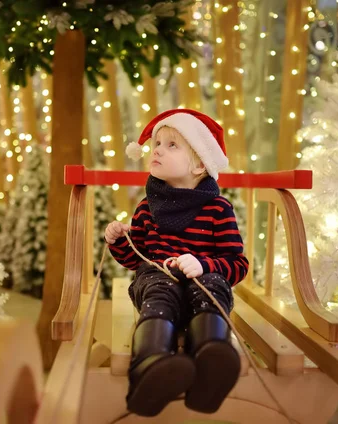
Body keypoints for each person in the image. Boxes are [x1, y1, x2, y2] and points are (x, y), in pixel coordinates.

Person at [105, 109, 249, 417]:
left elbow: (237, 264)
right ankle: (151, 363)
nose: (157, 149)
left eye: (172, 145)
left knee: (212, 285)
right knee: (156, 283)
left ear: (200, 164)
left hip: (201, 285)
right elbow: (136, 260)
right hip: (159, 284)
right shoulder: (147, 208)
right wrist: (119, 241)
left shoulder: (218, 209)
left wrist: (205, 265)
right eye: (157, 143)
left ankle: (212, 355)